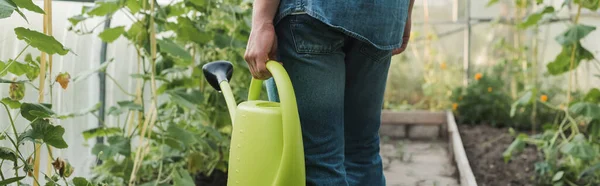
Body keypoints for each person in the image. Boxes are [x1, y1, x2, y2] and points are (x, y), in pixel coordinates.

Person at [244, 0, 415, 185]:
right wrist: (406, 11)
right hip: (384, 14)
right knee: (361, 155)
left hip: (311, 13)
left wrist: (261, 21)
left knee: (316, 162)